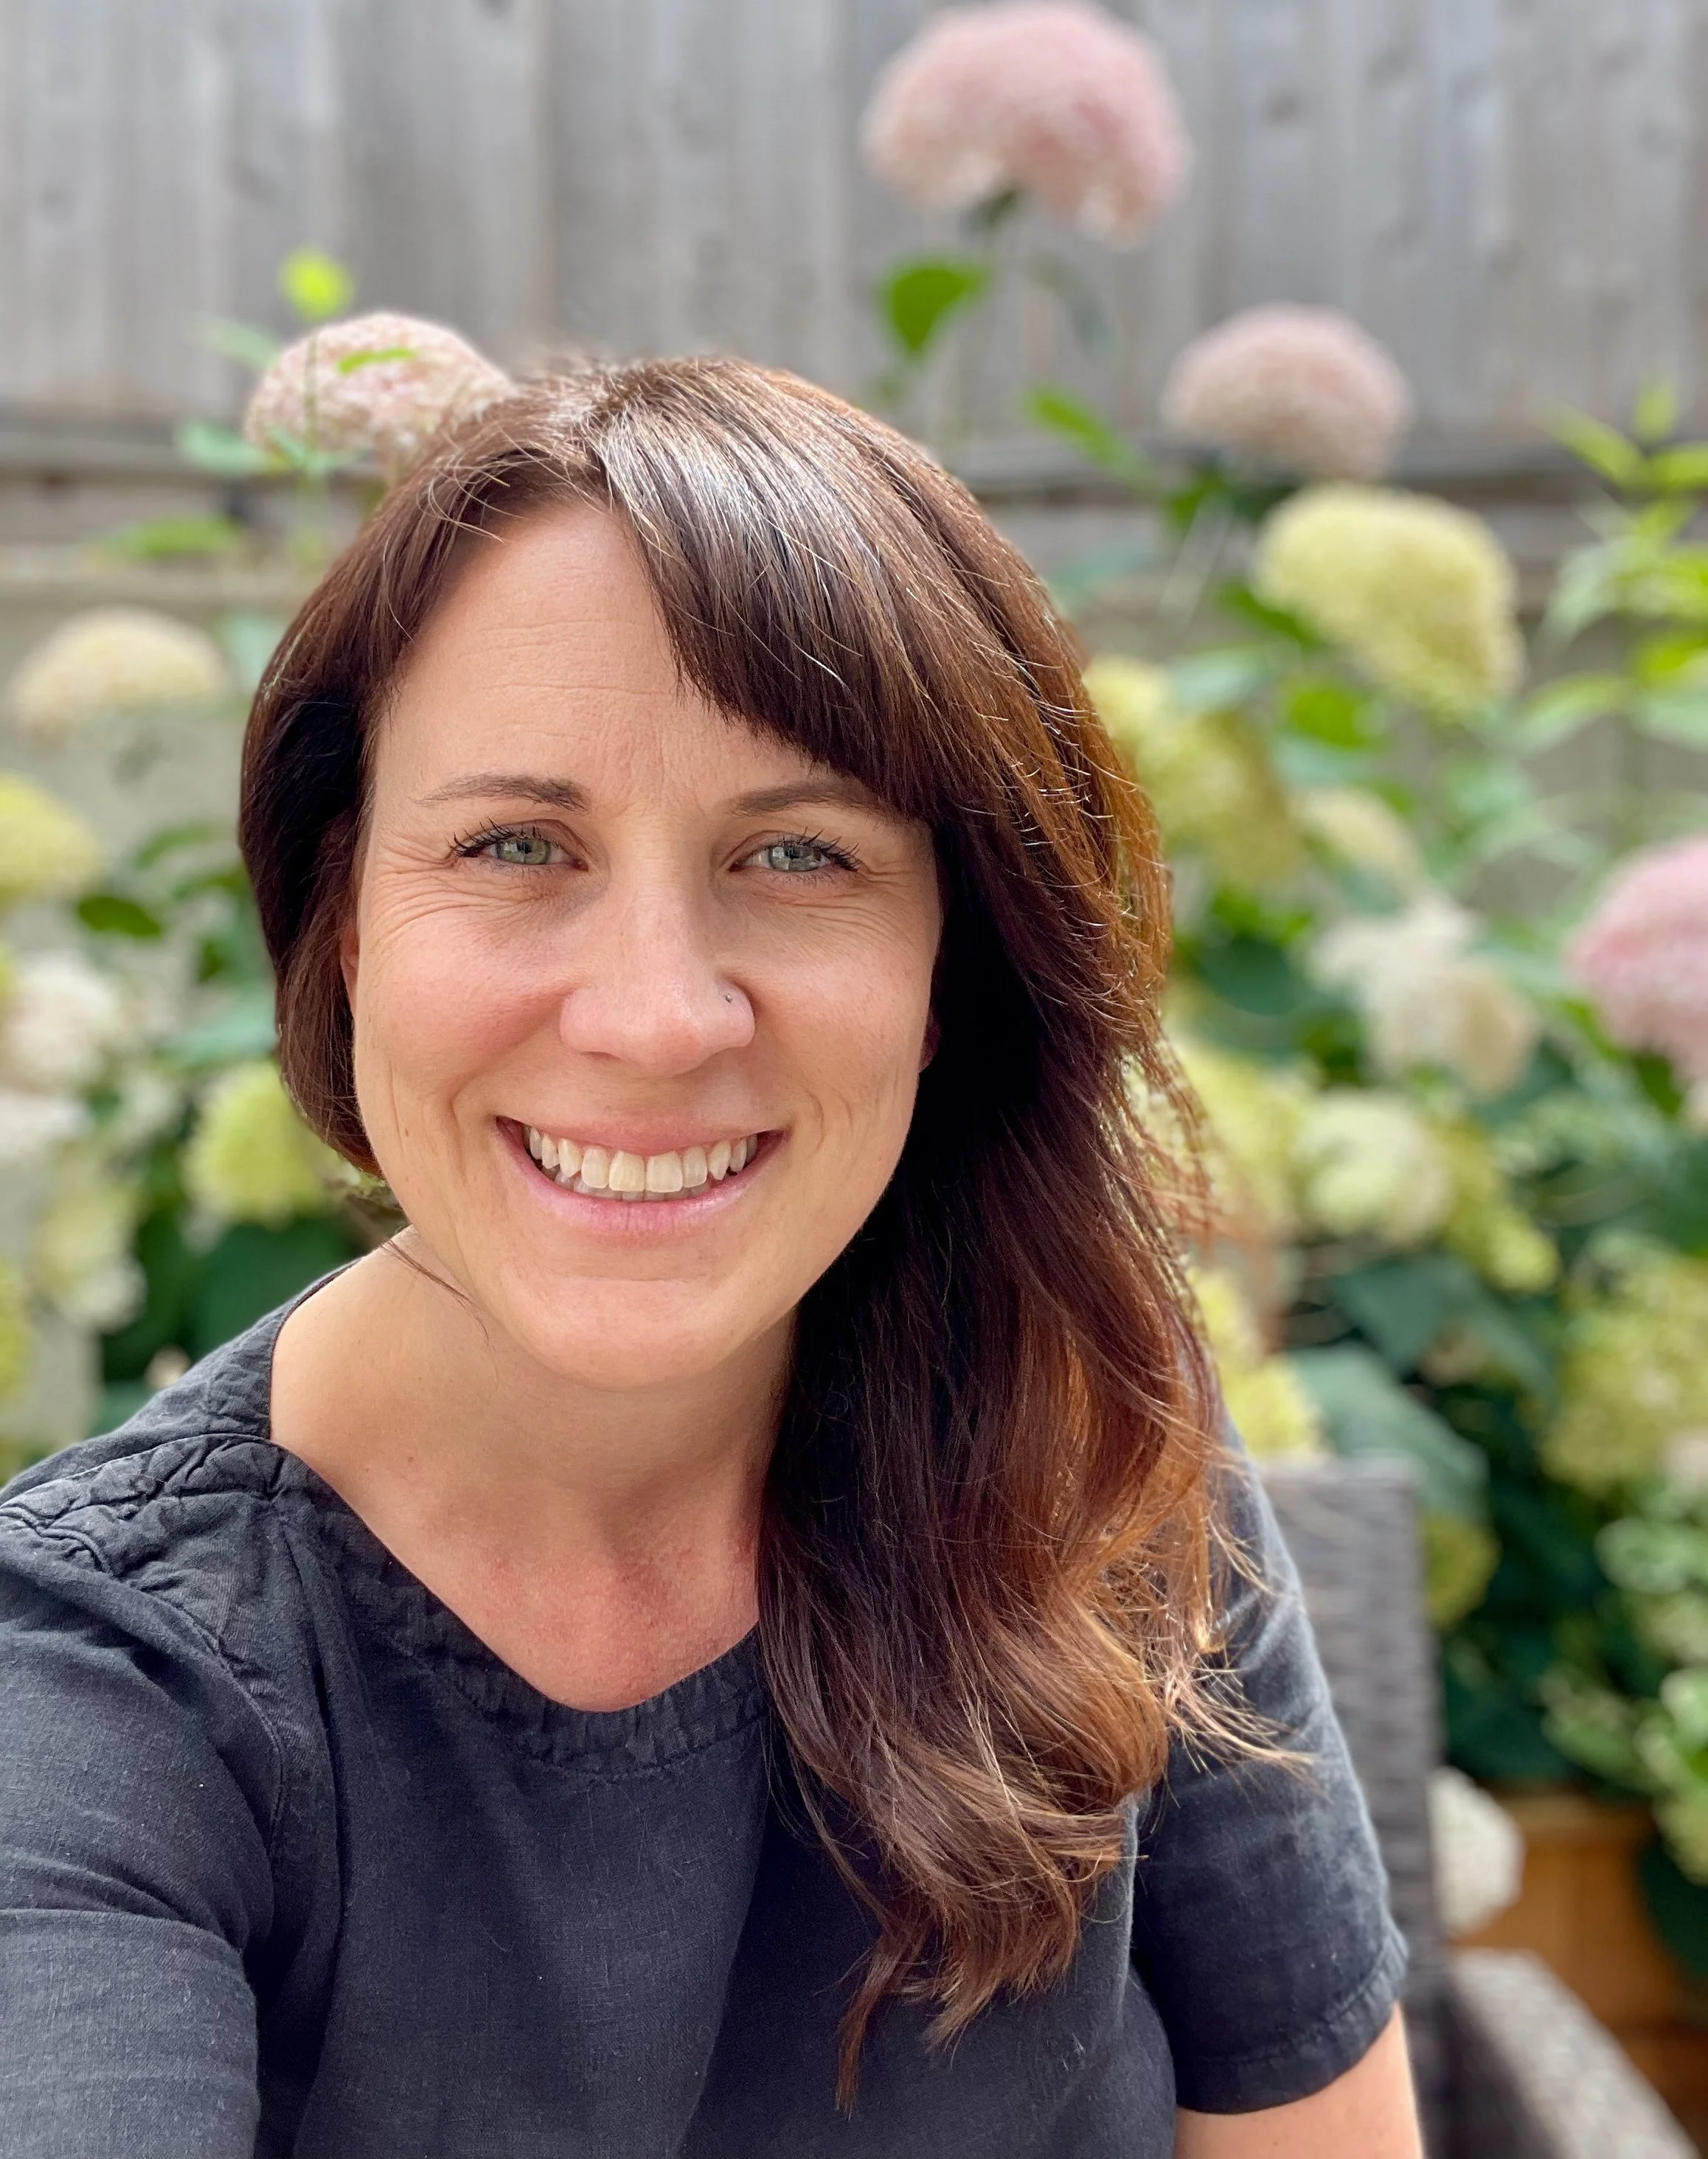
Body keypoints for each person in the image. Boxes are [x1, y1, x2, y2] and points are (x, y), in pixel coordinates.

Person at [0, 359, 1419, 2157]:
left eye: (798, 852)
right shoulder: (85, 1694)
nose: (658, 1016)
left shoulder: (1096, 1453)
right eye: (517, 844)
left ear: (950, 965)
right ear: (345, 919)